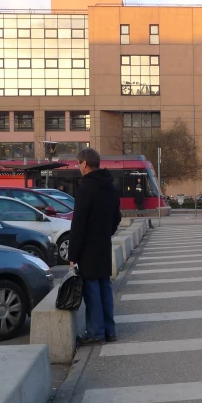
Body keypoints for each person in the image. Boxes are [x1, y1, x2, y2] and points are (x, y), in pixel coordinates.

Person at [69, 148, 122, 345]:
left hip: (88, 250)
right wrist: (106, 232)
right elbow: (117, 217)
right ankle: (110, 330)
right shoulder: (111, 187)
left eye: (78, 163)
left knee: (92, 291)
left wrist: (73, 253)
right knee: (104, 288)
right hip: (103, 245)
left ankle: (96, 333)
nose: (78, 167)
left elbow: (78, 224)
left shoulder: (85, 189)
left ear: (84, 163)